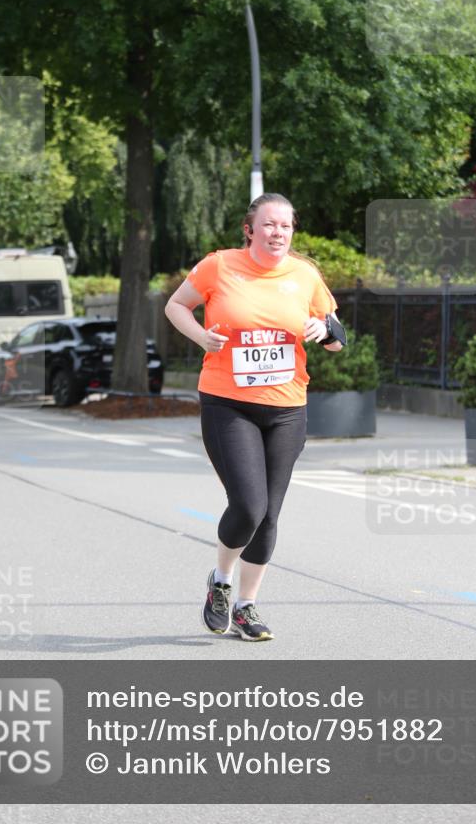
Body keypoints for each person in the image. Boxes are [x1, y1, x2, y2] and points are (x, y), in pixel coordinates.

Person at [165, 192, 344, 641]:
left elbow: (338, 334)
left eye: (285, 226)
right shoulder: (219, 266)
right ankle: (221, 582)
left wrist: (324, 330)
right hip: (228, 403)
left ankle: (247, 606)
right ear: (250, 229)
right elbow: (175, 306)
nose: (278, 233)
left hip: (287, 408)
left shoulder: (304, 275)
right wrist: (201, 337)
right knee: (248, 505)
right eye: (269, 224)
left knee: (269, 516)